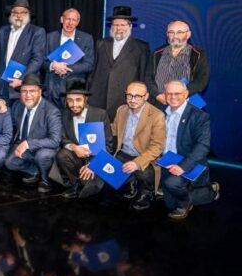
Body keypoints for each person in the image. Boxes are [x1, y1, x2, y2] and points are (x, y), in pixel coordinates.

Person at [159, 80, 218, 220]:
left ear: (186, 94)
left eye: (177, 93)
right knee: (169, 203)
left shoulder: (200, 116)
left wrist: (183, 166)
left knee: (171, 185)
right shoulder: (161, 113)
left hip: (189, 160)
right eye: (169, 93)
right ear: (165, 95)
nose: (173, 97)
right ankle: (197, 191)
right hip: (167, 160)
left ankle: (205, 195)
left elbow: (203, 146)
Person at [110, 81, 165, 211]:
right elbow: (113, 130)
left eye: (138, 96)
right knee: (108, 167)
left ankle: (146, 192)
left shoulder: (157, 115)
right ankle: (131, 182)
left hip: (144, 155)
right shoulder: (121, 110)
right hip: (124, 152)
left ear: (146, 96)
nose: (132, 100)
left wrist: (137, 162)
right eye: (129, 95)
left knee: (144, 173)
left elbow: (157, 146)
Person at [89, 6, 151, 120]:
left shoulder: (141, 47)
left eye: (122, 25)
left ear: (130, 26)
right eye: (115, 25)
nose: (118, 28)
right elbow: (93, 71)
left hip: (124, 100)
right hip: (98, 99)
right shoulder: (100, 44)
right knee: (95, 129)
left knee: (120, 129)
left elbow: (143, 75)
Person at [53, 79, 112, 199]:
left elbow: (108, 146)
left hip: (95, 159)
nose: (74, 105)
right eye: (70, 100)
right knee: (62, 155)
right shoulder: (64, 114)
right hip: (76, 158)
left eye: (78, 100)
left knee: (89, 190)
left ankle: (84, 183)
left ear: (86, 99)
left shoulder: (100, 114)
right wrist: (74, 147)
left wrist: (93, 165)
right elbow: (63, 138)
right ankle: (75, 184)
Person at [4, 74, 62, 193]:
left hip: (44, 148)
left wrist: (28, 144)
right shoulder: (17, 106)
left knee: (42, 156)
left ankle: (45, 179)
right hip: (24, 146)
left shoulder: (51, 111)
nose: (28, 95)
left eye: (32, 91)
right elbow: (13, 128)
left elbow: (55, 140)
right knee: (9, 163)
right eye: (24, 91)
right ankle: (34, 170)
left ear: (39, 92)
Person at [42, 9, 95, 108]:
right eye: (68, 19)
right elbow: (41, 61)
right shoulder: (49, 37)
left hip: (74, 87)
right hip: (52, 88)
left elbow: (89, 64)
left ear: (77, 22)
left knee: (70, 117)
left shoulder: (86, 39)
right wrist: (53, 65)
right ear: (62, 19)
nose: (70, 23)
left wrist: (66, 68)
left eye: (74, 20)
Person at [150, 21, 210, 107]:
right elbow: (147, 77)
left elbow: (201, 80)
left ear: (188, 34)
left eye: (180, 32)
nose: (175, 36)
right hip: (158, 102)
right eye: (171, 32)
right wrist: (157, 95)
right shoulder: (157, 53)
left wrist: (180, 95)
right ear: (167, 34)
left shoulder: (198, 54)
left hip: (183, 104)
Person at [0, 0, 46, 102]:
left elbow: (37, 59)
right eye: (15, 12)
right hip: (3, 86)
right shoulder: (3, 31)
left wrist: (22, 79)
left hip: (23, 87)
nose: (18, 16)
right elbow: (0, 58)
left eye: (22, 13)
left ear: (28, 14)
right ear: (11, 14)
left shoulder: (36, 32)